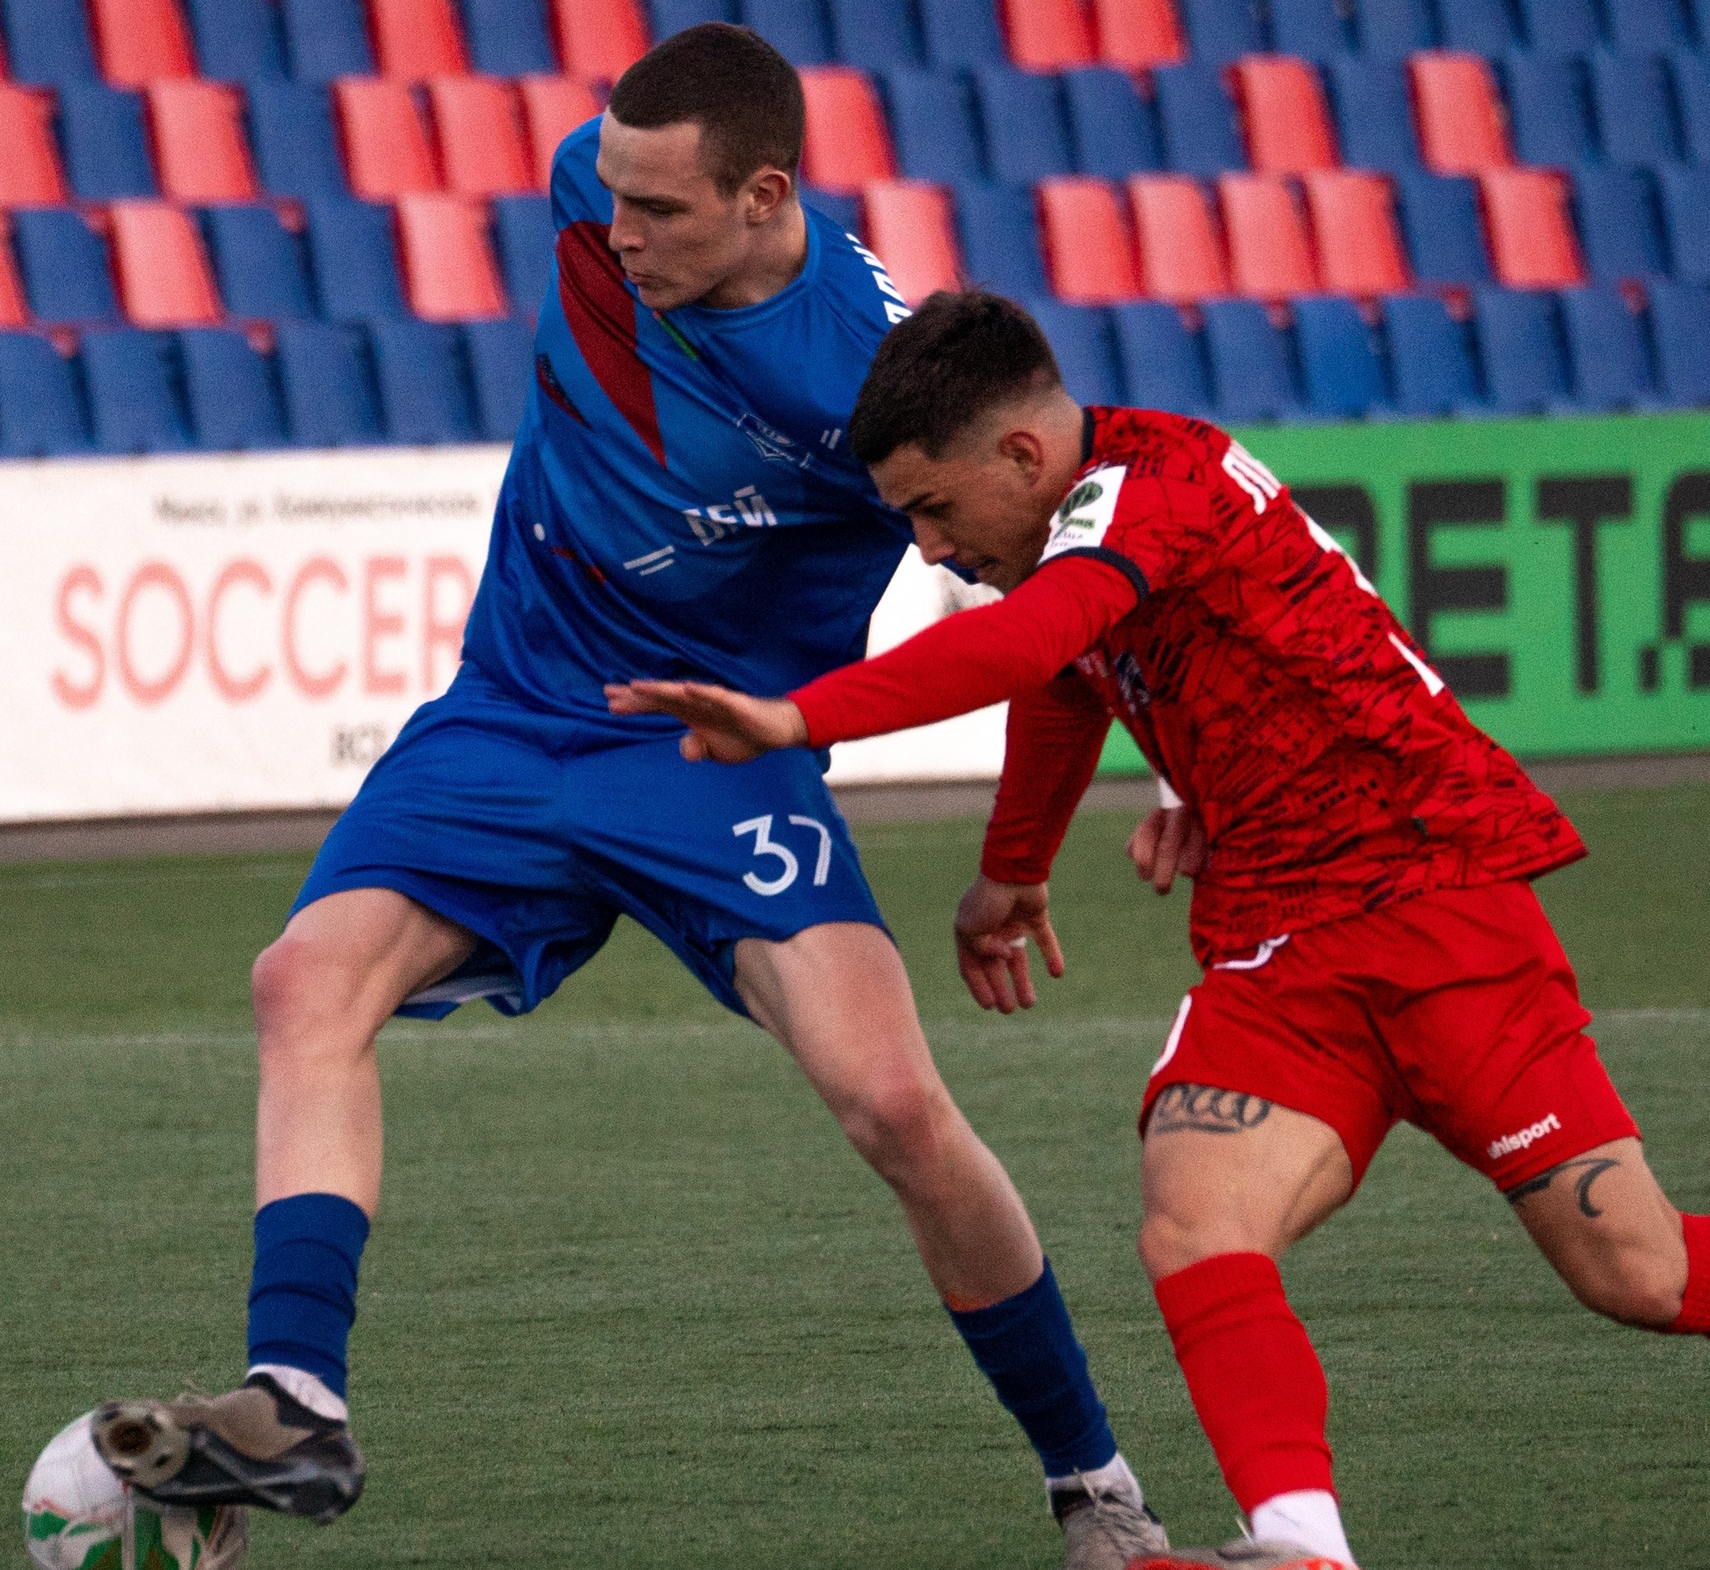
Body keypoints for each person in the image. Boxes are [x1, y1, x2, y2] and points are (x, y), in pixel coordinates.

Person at [85, 35, 1167, 1569]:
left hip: (715, 752)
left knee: (895, 1105)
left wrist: (1105, 804)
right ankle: (296, 1400)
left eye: (658, 208)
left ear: (765, 195)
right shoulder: (587, 191)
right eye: (612, 193)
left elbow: (1055, 596)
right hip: (515, 706)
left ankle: (1095, 1489)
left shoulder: (869, 382)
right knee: (300, 980)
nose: (616, 230)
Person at [607, 289, 1710, 1570]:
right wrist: (1013, 869)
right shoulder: (1086, 520)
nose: (929, 548)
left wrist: (801, 717)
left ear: (1024, 454)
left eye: (935, 508)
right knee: (1194, 1214)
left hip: (1431, 901)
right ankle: (1303, 1545)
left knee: (1636, 1272)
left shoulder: (1152, 488)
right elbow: (1069, 677)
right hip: (1279, 942)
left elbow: (1031, 642)